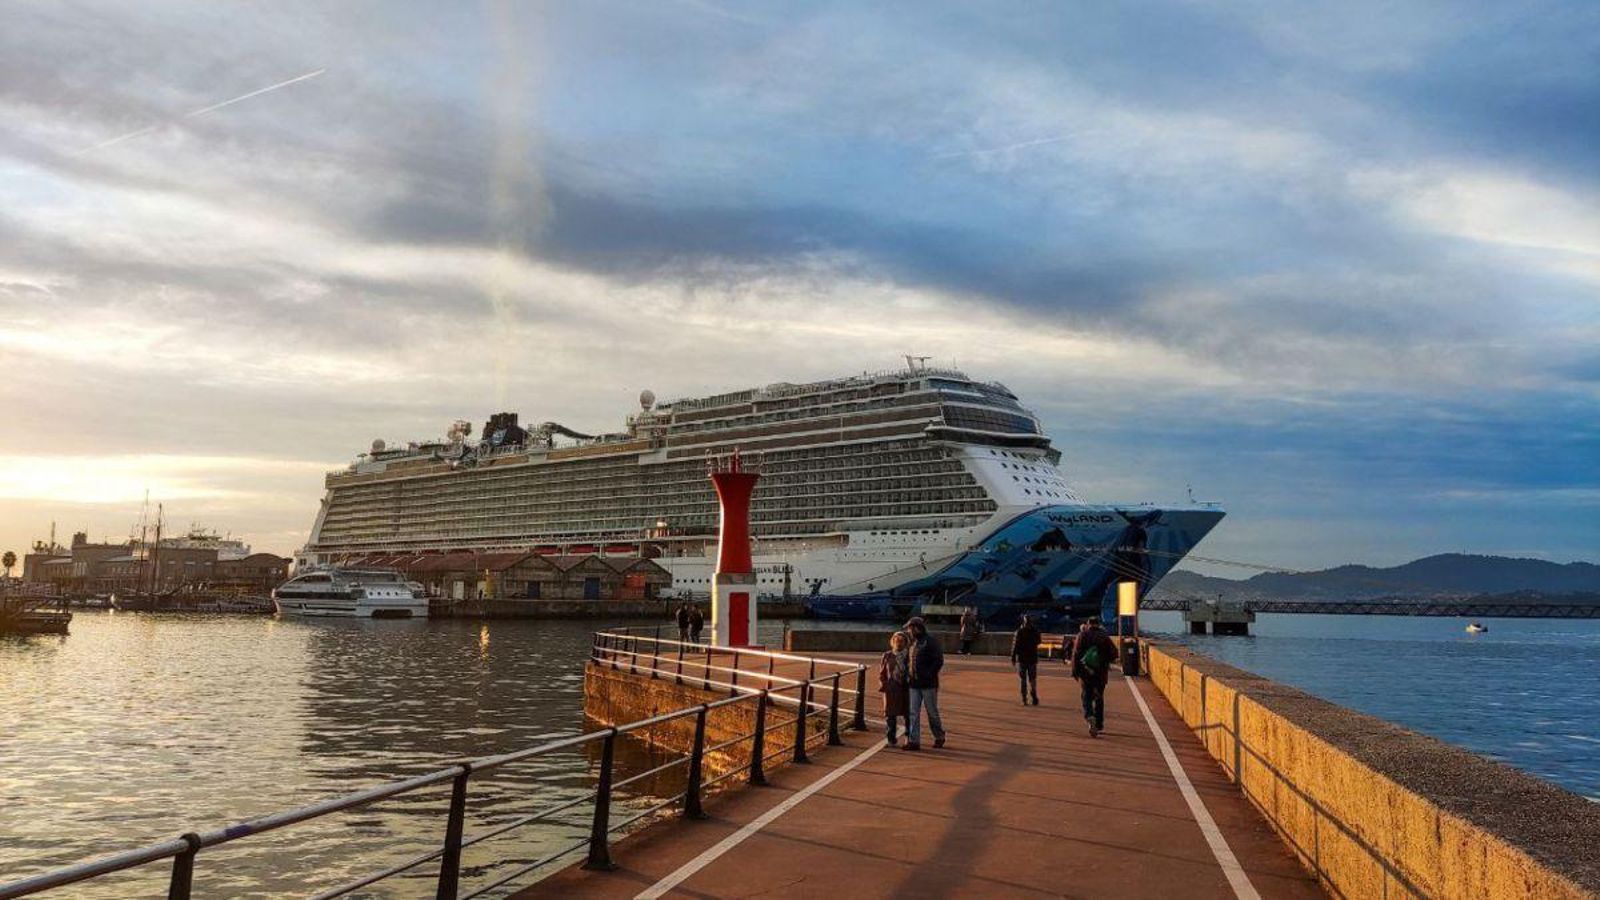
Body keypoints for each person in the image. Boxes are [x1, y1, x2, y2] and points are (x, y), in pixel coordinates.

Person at [903, 617, 946, 750]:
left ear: (916, 628)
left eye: (910, 628)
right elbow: (908, 661)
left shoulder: (930, 642)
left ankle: (939, 736)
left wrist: (929, 674)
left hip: (928, 684)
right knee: (913, 712)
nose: (909, 631)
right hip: (914, 683)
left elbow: (938, 660)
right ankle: (914, 741)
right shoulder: (912, 643)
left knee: (931, 712)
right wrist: (907, 674)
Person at [1070, 618, 1118, 737]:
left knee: (1086, 696)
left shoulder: (1083, 635)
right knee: (1099, 697)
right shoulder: (1104, 636)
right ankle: (1099, 723)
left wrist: (1075, 671)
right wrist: (1105, 661)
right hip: (1100, 673)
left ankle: (1089, 716)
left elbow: (1075, 654)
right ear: (1098, 624)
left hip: (1086, 672)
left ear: (1088, 624)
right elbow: (1114, 653)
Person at [878, 631, 910, 746]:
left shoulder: (909, 655)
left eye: (901, 641)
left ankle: (909, 737)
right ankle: (891, 739)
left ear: (906, 643)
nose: (899, 644)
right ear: (892, 642)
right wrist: (884, 684)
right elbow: (882, 673)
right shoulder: (887, 655)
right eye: (896, 641)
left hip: (905, 688)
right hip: (891, 689)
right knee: (890, 716)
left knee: (908, 714)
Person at [1010, 614, 1042, 706]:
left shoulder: (1019, 631)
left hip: (1022, 658)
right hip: (1032, 657)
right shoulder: (1035, 631)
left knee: (1023, 679)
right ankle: (1034, 694)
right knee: (1032, 678)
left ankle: (1024, 698)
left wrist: (1013, 657)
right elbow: (1039, 641)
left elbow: (1015, 645)